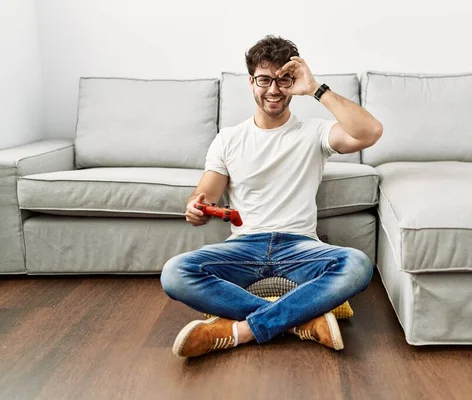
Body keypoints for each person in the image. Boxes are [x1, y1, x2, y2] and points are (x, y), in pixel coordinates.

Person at [160, 35, 383, 358]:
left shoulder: (315, 133)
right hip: (243, 248)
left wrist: (315, 88)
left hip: (299, 248)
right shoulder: (228, 140)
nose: (275, 90)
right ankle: (299, 322)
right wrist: (197, 206)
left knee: (358, 265)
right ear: (252, 82)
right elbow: (206, 192)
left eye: (284, 80)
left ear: (294, 82)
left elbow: (371, 132)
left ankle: (241, 330)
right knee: (174, 273)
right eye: (265, 80)